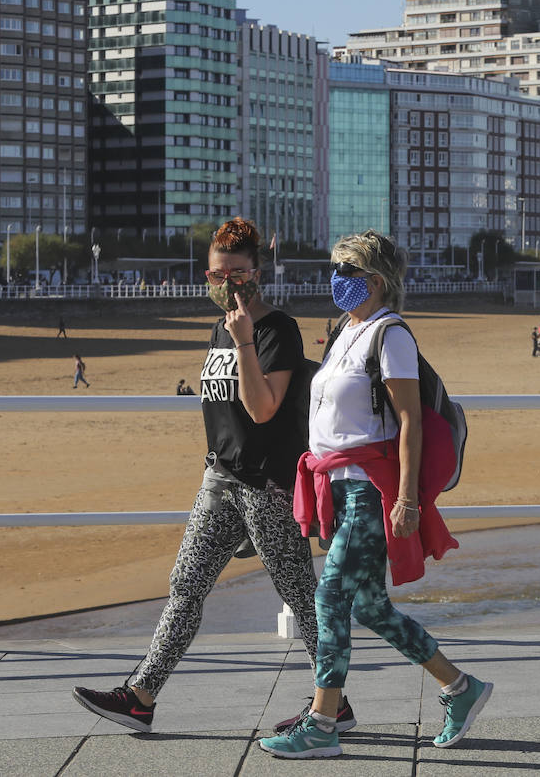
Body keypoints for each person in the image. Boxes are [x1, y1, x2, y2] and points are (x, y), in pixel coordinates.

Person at [72, 217, 331, 735]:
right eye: (217, 275)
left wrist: (245, 343)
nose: (227, 284)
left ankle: (333, 700)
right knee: (185, 586)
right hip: (220, 481)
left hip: (265, 487)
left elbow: (261, 410)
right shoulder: (220, 327)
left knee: (302, 597)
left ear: (257, 272)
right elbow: (221, 414)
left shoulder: (276, 328)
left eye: (236, 273)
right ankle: (140, 696)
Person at [261, 230, 489, 760]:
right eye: (336, 267)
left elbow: (408, 420)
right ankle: (460, 688)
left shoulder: (392, 335)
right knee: (369, 606)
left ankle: (321, 724)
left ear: (376, 281)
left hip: (369, 490)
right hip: (335, 488)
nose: (335, 278)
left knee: (330, 596)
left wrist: (406, 499)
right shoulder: (346, 330)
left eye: (347, 270)